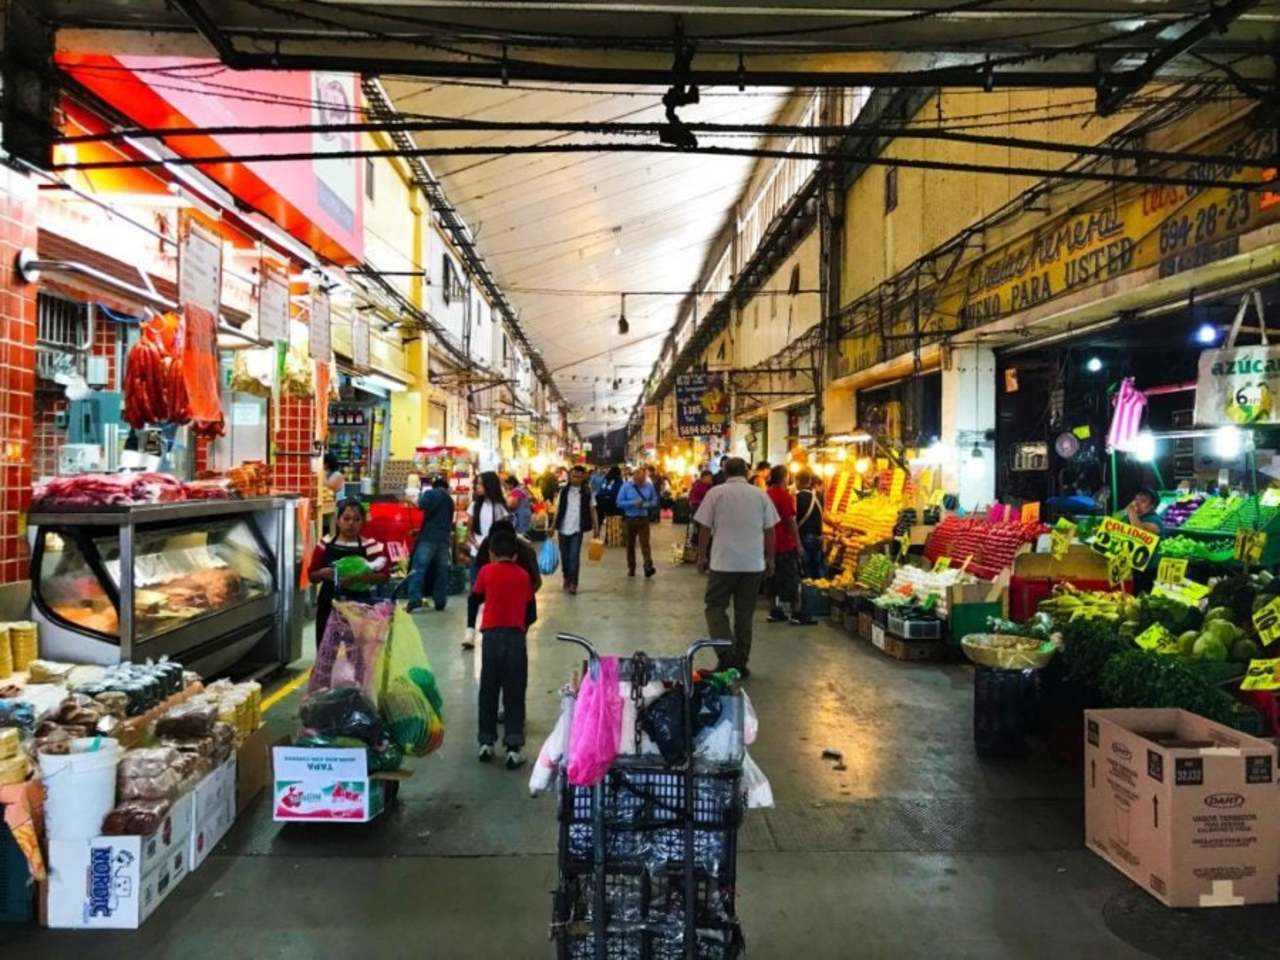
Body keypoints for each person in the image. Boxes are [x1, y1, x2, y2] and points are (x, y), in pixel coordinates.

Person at [694, 457, 779, 679]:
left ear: (725, 472)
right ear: (747, 472)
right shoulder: (760, 495)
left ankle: (726, 656)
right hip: (752, 565)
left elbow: (704, 528)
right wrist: (771, 559)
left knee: (715, 607)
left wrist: (701, 556)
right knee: (744, 614)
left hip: (723, 563)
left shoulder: (715, 494)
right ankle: (740, 662)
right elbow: (770, 530)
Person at [472, 526, 535, 769]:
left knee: (488, 690)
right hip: (515, 638)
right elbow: (529, 608)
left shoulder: (486, 572)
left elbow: (476, 596)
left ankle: (486, 742)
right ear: (516, 555)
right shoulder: (523, 575)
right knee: (514, 691)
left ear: (491, 553)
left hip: (491, 638)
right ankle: (513, 747)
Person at [308, 499, 390, 655]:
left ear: (363, 522)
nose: (351, 523)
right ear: (337, 520)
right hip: (329, 605)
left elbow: (384, 576)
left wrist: (358, 578)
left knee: (357, 653)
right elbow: (312, 576)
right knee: (326, 651)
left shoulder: (371, 546)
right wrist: (322, 573)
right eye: (346, 518)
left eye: (356, 519)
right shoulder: (324, 544)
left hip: (359, 606)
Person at [463, 471, 510, 648]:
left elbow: (505, 533)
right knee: (474, 594)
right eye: (476, 484)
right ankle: (470, 631)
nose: (477, 487)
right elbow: (468, 531)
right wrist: (475, 544)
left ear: (489, 485)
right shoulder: (474, 505)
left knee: (495, 595)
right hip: (478, 556)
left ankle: (491, 628)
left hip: (496, 558)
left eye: (480, 484)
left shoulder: (500, 508)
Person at [765, 466, 816, 626]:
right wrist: (798, 543)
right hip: (784, 543)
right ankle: (796, 612)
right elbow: (791, 521)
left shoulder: (767, 494)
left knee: (772, 577)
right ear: (784, 477)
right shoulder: (783, 496)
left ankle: (775, 610)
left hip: (768, 544)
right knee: (791, 578)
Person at [405, 475, 455, 613]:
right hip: (444, 540)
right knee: (442, 571)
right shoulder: (450, 501)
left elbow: (420, 504)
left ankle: (415, 599)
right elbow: (441, 521)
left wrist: (409, 499)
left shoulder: (431, 493)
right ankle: (440, 601)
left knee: (419, 569)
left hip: (428, 539)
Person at [556, 464, 596, 594]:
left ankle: (573, 583)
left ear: (583, 477)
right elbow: (557, 509)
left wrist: (596, 527)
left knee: (574, 557)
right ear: (570, 476)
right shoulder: (563, 491)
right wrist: (552, 526)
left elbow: (592, 509)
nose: (576, 479)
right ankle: (566, 577)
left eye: (579, 477)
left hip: (577, 529)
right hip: (562, 529)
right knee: (564, 557)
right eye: (574, 476)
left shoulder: (587, 492)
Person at [617, 465, 659, 577]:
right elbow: (619, 502)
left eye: (643, 481)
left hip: (643, 519)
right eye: (639, 481)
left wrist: (645, 505)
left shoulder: (649, 486)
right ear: (634, 478)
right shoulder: (626, 487)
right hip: (630, 519)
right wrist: (632, 503)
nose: (642, 483)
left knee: (645, 544)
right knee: (630, 545)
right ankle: (631, 567)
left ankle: (648, 566)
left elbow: (654, 501)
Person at [794, 470, 826, 580]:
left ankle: (808, 588)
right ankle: (819, 586)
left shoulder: (798, 497)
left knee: (806, 568)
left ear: (798, 481)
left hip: (804, 537)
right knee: (818, 567)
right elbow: (823, 514)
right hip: (818, 536)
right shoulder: (819, 495)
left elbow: (794, 518)